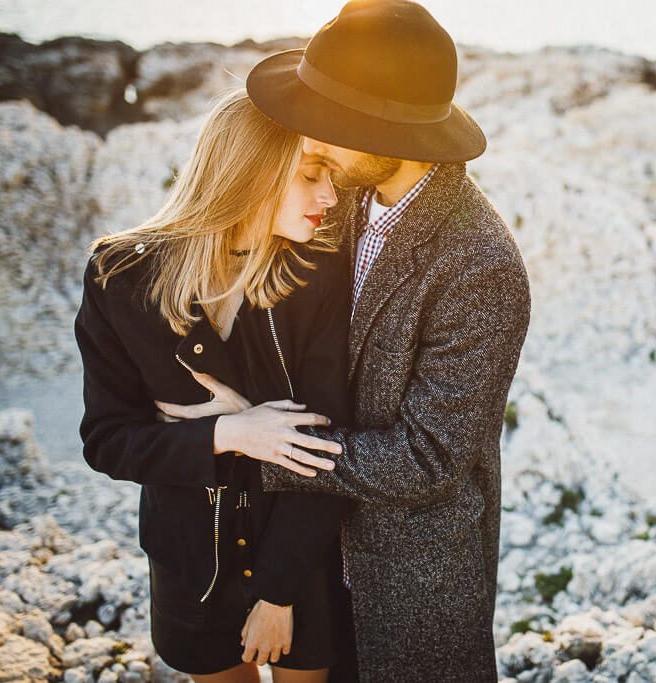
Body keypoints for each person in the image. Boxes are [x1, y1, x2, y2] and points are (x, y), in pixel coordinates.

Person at [158, 1, 533, 680]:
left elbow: (428, 458)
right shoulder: (338, 200)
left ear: (390, 132)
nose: (309, 133)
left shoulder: (480, 265)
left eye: (330, 120)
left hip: (408, 586)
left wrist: (262, 446)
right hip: (305, 563)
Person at [74, 89, 355, 683]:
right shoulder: (119, 278)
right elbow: (107, 441)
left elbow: (327, 446)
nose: (330, 196)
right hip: (188, 562)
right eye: (311, 175)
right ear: (249, 172)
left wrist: (279, 593)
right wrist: (230, 433)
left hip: (298, 554)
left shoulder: (318, 272)